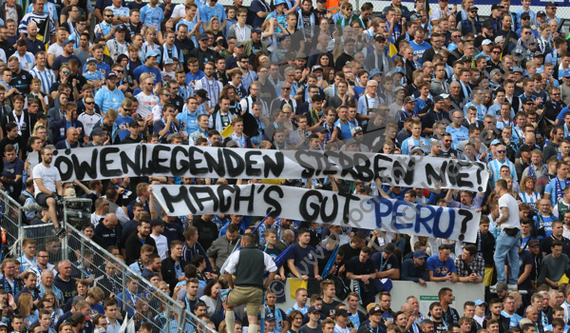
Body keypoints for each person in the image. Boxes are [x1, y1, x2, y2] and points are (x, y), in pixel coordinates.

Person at [224, 233, 277, 333]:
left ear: (243, 242)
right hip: (256, 290)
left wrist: (231, 285)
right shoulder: (263, 255)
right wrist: (266, 285)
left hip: (240, 289)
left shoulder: (237, 254)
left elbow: (227, 272)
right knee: (252, 319)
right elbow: (273, 270)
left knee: (228, 305)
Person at [493, 179, 521, 291]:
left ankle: (501, 282)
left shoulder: (503, 198)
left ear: (499, 187)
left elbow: (506, 214)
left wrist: (498, 222)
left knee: (498, 256)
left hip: (508, 231)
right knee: (514, 258)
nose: (495, 189)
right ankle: (513, 283)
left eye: (495, 187)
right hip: (517, 231)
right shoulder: (512, 199)